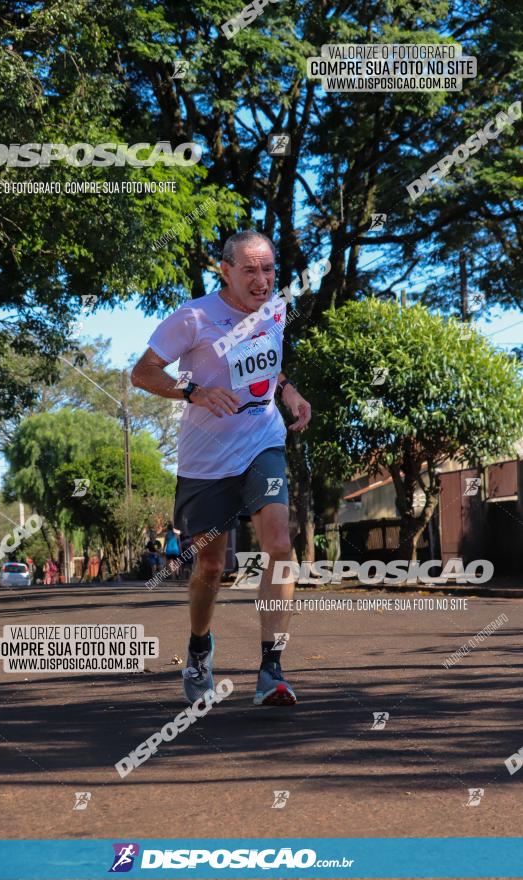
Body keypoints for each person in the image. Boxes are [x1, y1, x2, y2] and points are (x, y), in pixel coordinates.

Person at [131, 230, 312, 706]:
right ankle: (198, 648)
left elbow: (270, 367)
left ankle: (272, 669)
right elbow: (142, 372)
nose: (262, 280)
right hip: (206, 459)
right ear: (225, 270)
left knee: (279, 544)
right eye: (250, 270)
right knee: (211, 566)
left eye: (269, 269)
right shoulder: (194, 317)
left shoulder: (275, 310)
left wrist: (288, 391)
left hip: (262, 442)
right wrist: (193, 392)